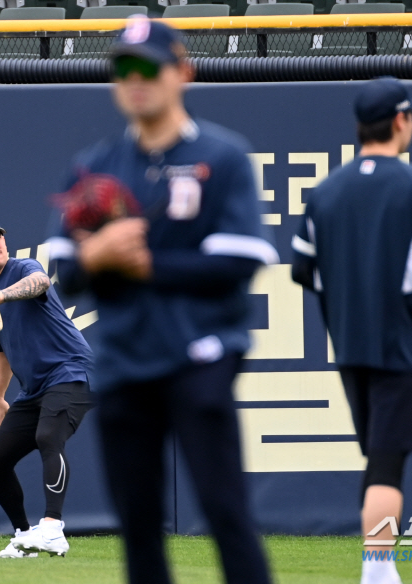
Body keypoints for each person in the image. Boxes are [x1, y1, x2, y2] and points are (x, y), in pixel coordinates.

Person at [46, 16, 277, 584]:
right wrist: (98, 254)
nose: (135, 79)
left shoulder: (222, 156)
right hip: (125, 362)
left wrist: (146, 264)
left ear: (182, 71)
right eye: (122, 69)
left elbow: (241, 261)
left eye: (148, 66)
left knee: (226, 511)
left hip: (200, 354)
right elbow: (66, 271)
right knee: (139, 524)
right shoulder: (95, 164)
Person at [291, 78, 412, 584]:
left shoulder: (326, 190)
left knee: (378, 457)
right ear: (401, 120)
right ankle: (378, 568)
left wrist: (345, 307)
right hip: (402, 345)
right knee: (387, 464)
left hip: (350, 344)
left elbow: (302, 271)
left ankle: (377, 563)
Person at [0, 214, 93, 558]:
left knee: (48, 436)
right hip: (34, 390)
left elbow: (41, 282)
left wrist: (1, 296)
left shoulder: (22, 269)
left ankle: (52, 528)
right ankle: (24, 537)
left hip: (71, 372)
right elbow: (2, 350)